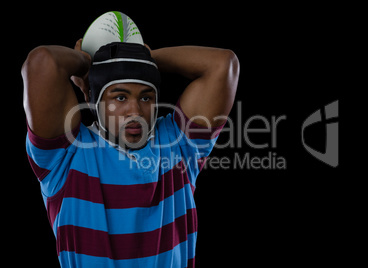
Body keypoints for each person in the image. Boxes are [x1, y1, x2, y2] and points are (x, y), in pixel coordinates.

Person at [22, 30, 239, 267]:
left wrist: (145, 57)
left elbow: (223, 65)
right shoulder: (67, 155)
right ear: (94, 100)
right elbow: (42, 62)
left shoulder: (178, 145)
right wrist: (88, 65)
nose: (135, 111)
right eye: (121, 97)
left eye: (146, 98)